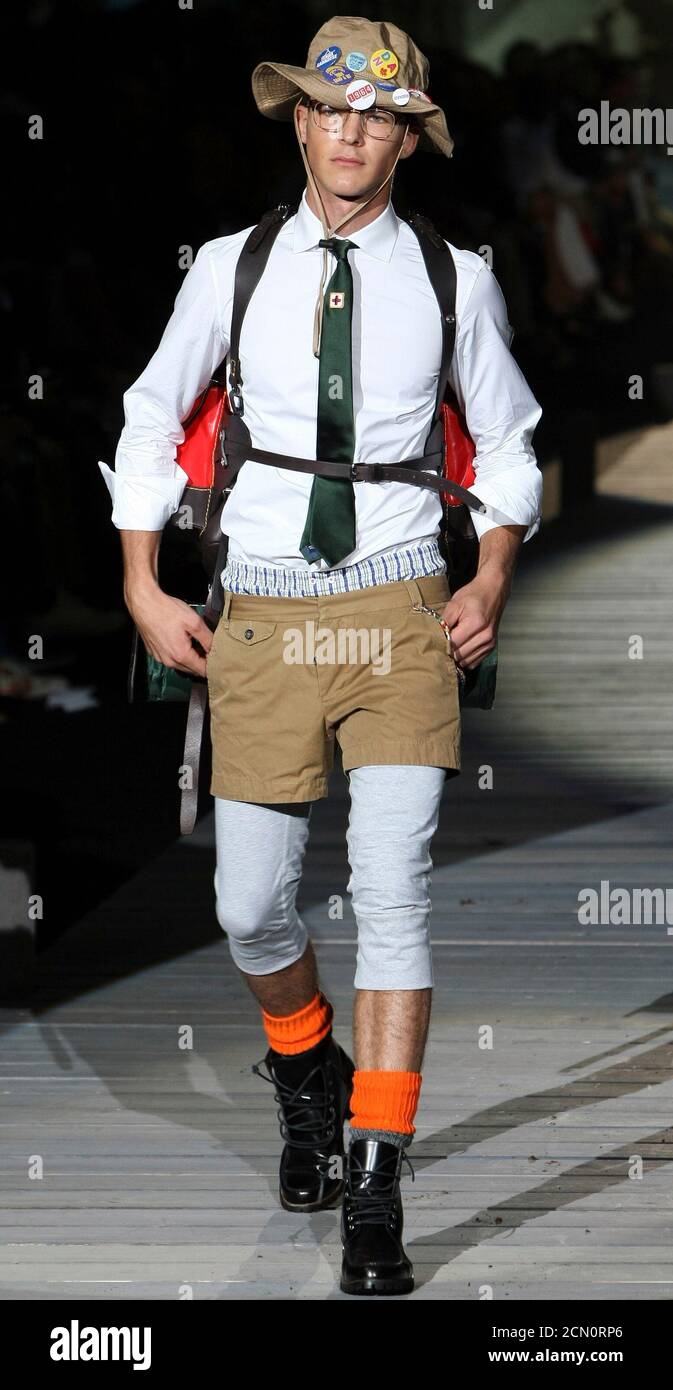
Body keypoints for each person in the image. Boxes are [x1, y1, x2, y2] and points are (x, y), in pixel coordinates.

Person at [99, 16, 543, 1297]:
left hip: (403, 606)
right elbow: (146, 411)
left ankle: (373, 1178)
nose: (352, 132)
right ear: (297, 120)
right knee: (248, 906)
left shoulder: (455, 275)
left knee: (392, 895)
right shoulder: (231, 269)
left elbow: (507, 440)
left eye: (379, 115)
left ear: (406, 137)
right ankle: (305, 1066)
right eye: (330, 109)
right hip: (263, 612)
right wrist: (138, 582)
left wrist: (495, 570)